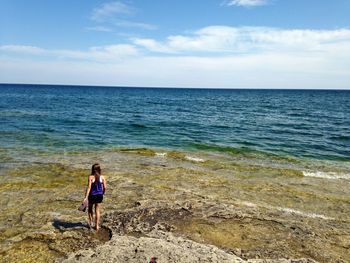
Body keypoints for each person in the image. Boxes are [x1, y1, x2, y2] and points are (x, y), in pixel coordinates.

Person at [84, 163, 106, 231]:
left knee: (90, 209)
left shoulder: (90, 177)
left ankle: (91, 224)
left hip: (92, 196)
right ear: (99, 169)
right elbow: (105, 187)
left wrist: (86, 197)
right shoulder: (102, 177)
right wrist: (102, 193)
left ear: (92, 169)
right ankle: (96, 226)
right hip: (99, 195)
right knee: (97, 209)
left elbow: (89, 187)